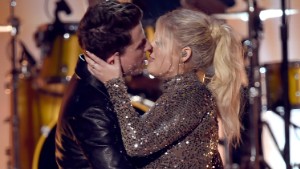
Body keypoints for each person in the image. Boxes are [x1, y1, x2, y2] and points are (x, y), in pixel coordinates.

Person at [85, 8, 248, 168]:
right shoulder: (185, 93)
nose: (150, 47)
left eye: (160, 43)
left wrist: (115, 84)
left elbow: (137, 143)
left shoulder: (191, 94)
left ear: (184, 54)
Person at [55, 1, 152, 168]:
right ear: (112, 61)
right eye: (140, 45)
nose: (149, 47)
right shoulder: (91, 111)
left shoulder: (89, 76)